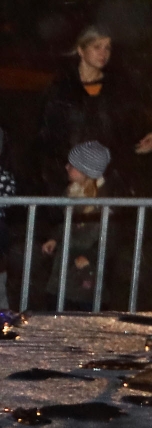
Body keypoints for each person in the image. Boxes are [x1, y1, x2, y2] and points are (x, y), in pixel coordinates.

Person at [37, 26, 152, 195]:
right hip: (67, 178)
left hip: (109, 179)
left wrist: (147, 136)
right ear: (81, 50)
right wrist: (64, 169)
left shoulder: (119, 89)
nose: (103, 53)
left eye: (107, 48)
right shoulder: (61, 88)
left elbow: (133, 124)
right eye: (97, 47)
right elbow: (46, 134)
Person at [40, 141, 111, 310]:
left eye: (72, 165)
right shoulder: (71, 192)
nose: (66, 167)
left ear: (85, 171)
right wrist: (55, 239)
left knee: (82, 311)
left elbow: (111, 237)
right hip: (67, 261)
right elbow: (65, 223)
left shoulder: (105, 200)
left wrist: (92, 257)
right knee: (60, 305)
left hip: (87, 270)